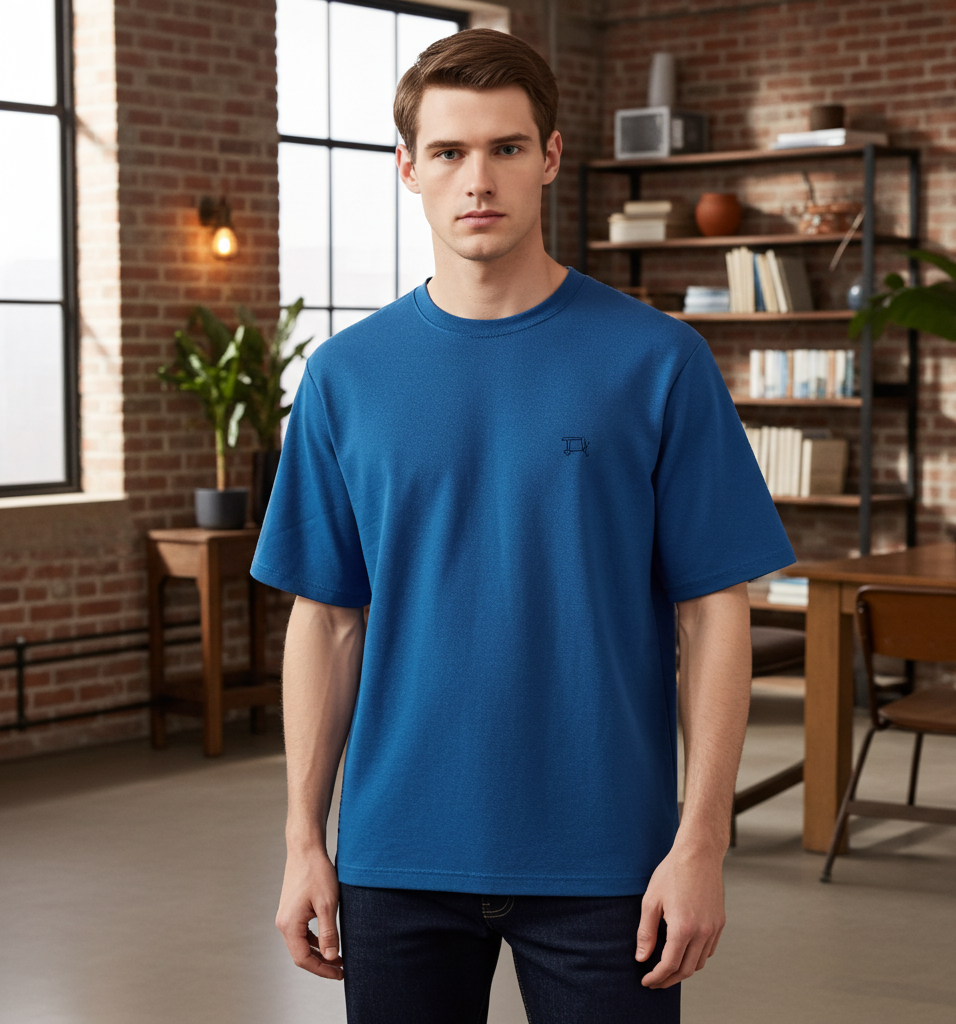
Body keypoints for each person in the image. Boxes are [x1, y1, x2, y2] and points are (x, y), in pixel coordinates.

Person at [252, 27, 794, 1024]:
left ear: (548, 156)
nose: (478, 179)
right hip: (395, 857)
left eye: (505, 147)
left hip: (610, 859)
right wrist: (302, 842)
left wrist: (701, 841)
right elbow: (325, 620)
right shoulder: (343, 379)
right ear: (409, 168)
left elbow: (714, 610)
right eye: (449, 151)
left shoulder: (659, 360)